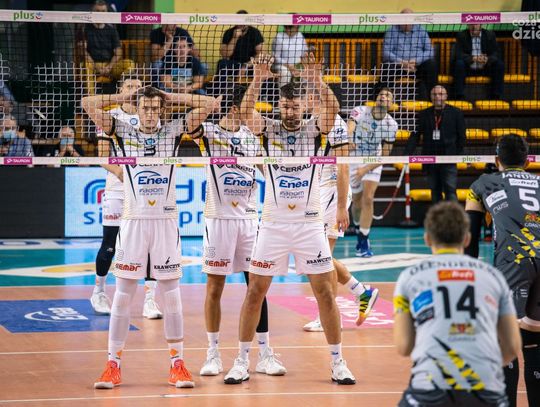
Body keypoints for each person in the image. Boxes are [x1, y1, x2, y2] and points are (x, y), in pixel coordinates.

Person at [223, 54, 355, 385]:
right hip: (273, 224)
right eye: (285, 106)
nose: (290, 111)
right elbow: (245, 112)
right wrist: (257, 78)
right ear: (279, 106)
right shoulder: (267, 130)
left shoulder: (315, 130)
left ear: (303, 106)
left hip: (310, 225)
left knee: (325, 292)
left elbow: (333, 109)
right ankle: (242, 361)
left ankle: (338, 362)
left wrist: (316, 79)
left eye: (295, 106)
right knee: (255, 291)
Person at [82, 86, 220, 389]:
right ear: (137, 108)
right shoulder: (122, 130)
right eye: (145, 108)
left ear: (162, 110)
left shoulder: (173, 131)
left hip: (165, 223)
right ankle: (112, 365)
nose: (149, 113)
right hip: (133, 222)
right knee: (123, 294)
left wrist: (173, 98)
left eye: (155, 108)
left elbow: (211, 103)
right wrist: (124, 99)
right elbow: (87, 103)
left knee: (171, 294)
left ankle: (178, 364)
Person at [189, 85, 285, 377]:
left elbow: (270, 172)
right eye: (248, 108)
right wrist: (208, 103)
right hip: (219, 220)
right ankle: (213, 354)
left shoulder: (254, 138)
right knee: (214, 288)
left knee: (257, 287)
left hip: (249, 221)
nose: (252, 113)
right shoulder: (209, 133)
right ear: (234, 108)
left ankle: (265, 353)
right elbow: (190, 123)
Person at [394, 201, 521, 407]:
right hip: (485, 388)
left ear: (427, 239)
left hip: (431, 386)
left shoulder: (410, 277)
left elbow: (404, 346)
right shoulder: (494, 277)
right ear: (467, 238)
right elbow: (512, 347)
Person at [465, 134, 540, 407]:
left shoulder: (482, 184)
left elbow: (470, 240)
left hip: (513, 262)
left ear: (497, 160)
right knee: (534, 340)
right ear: (528, 162)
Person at [302, 92, 380, 331]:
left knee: (320, 258)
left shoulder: (335, 123)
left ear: (317, 99)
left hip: (332, 192)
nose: (304, 100)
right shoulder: (312, 122)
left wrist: (340, 207)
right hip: (320, 192)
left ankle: (328, 315)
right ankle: (361, 292)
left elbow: (343, 168)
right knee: (320, 256)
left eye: (307, 96)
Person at [90, 77, 163, 320]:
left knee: (150, 246)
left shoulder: (151, 117)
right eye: (130, 86)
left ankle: (149, 300)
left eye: (138, 86)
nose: (135, 90)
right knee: (110, 243)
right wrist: (122, 173)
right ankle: (99, 292)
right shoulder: (111, 117)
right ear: (120, 90)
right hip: (118, 189)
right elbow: (102, 157)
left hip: (145, 190)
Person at [347, 88, 397, 257]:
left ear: (391, 104)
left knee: (368, 198)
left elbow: (385, 155)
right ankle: (357, 226)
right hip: (354, 157)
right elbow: (350, 126)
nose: (383, 96)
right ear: (376, 99)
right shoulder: (361, 111)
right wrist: (349, 139)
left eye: (388, 96)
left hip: (373, 159)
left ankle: (363, 239)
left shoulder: (391, 125)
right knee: (356, 201)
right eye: (381, 94)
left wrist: (366, 169)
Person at [405, 85, 466, 203]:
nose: (437, 96)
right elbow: (415, 136)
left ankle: (453, 215)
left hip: (448, 160)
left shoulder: (456, 113)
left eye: (440, 94)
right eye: (434, 94)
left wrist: (455, 154)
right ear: (430, 97)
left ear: (446, 96)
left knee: (450, 191)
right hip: (430, 159)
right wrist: (406, 154)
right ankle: (438, 215)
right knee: (435, 191)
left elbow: (462, 137)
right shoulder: (424, 114)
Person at [382, 8, 437, 100]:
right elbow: (386, 53)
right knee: (386, 68)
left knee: (431, 65)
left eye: (409, 20)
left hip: (417, 66)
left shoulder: (421, 30)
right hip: (399, 66)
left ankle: (432, 99)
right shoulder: (391, 31)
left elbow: (430, 51)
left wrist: (416, 61)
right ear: (400, 20)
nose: (407, 23)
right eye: (404, 20)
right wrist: (402, 62)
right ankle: (386, 99)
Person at [83, 0, 134, 94]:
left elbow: (118, 52)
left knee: (129, 64)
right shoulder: (86, 29)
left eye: (103, 11)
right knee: (87, 65)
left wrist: (109, 67)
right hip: (93, 64)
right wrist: (96, 67)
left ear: (107, 12)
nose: (100, 14)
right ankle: (91, 98)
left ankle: (123, 94)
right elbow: (83, 51)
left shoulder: (112, 30)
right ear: (93, 12)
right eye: (97, 11)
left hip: (110, 65)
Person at [453, 24, 504, 100]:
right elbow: (458, 54)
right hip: (468, 69)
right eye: (471, 24)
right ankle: (459, 96)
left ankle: (496, 97)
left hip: (485, 68)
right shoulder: (461, 35)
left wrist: (487, 59)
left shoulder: (489, 35)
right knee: (459, 64)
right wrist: (473, 58)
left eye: (476, 24)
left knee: (499, 65)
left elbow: (496, 53)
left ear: (481, 24)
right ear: (468, 25)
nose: (474, 27)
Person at [217, 10, 264, 77]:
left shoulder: (255, 33)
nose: (241, 24)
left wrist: (246, 65)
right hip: (234, 64)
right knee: (222, 63)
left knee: (263, 67)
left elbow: (261, 54)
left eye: (244, 21)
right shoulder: (228, 32)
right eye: (239, 21)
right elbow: (225, 55)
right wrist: (234, 38)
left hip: (250, 65)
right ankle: (221, 84)